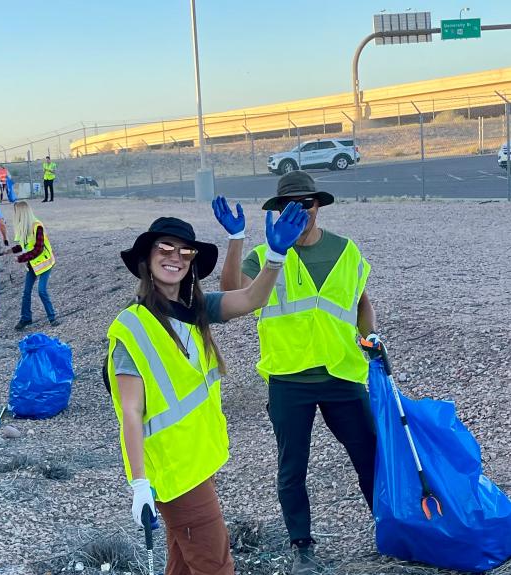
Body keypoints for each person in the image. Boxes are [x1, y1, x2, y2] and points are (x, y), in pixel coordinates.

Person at [106, 206, 308, 575]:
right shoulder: (131, 329)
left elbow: (251, 299)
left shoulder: (196, 310)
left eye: (185, 252)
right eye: (165, 248)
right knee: (215, 566)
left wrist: (275, 256)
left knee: (184, 562)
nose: (175, 258)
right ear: (146, 258)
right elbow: (130, 413)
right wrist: (138, 484)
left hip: (198, 461)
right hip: (174, 471)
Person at [215, 171, 380, 575]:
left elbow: (361, 303)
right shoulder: (267, 253)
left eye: (307, 203)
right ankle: (302, 548)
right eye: (291, 205)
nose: (301, 211)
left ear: (318, 205)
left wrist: (372, 339)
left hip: (343, 374)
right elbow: (232, 293)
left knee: (370, 459)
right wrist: (236, 240)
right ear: (278, 210)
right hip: (289, 378)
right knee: (293, 467)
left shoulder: (346, 250)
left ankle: (390, 525)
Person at [9, 201, 59, 330]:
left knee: (42, 290)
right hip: (33, 265)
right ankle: (26, 318)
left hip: (45, 263)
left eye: (16, 212)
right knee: (26, 292)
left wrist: (20, 258)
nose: (15, 215)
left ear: (22, 213)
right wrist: (9, 251)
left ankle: (52, 318)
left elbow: (38, 249)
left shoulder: (37, 226)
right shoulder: (23, 227)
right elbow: (24, 245)